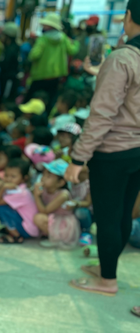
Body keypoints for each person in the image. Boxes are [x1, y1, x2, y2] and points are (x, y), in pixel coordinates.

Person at [66, 0, 140, 298]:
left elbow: (102, 116)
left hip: (112, 152)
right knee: (123, 214)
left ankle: (107, 280)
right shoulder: (127, 58)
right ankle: (106, 268)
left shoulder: (122, 58)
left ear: (128, 16)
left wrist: (77, 158)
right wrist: (102, 70)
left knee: (108, 216)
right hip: (137, 151)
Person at [27, 13, 79, 109]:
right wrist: (76, 43)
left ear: (49, 26)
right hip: (56, 76)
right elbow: (72, 50)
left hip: (40, 75)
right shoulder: (63, 38)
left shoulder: (43, 39)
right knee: (50, 101)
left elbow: (33, 56)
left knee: (32, 100)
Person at [33, 160, 80, 248]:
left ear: (60, 182)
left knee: (38, 218)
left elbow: (44, 211)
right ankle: (51, 235)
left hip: (63, 222)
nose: (43, 178)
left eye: (48, 176)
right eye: (43, 174)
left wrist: (36, 196)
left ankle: (56, 239)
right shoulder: (45, 189)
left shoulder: (63, 195)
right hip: (53, 218)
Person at [0, 158, 39, 243]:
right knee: (2, 207)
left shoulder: (21, 193)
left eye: (13, 176)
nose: (8, 179)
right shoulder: (14, 188)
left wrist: (1, 188)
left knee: (1, 209)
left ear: (24, 178)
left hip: (27, 230)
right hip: (24, 224)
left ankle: (16, 236)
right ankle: (10, 229)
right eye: (6, 175)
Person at [0, 22, 20, 105]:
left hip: (9, 79)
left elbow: (6, 65)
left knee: (5, 100)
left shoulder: (12, 50)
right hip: (5, 78)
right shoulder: (7, 47)